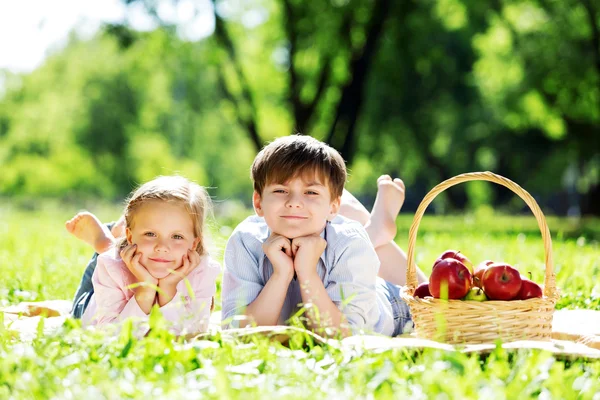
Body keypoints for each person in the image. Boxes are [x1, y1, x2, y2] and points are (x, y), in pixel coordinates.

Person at [221, 135, 426, 337]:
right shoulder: (246, 241)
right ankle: (375, 229)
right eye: (281, 190)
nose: (294, 201)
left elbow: (344, 336)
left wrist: (307, 272)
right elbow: (240, 334)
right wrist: (280, 274)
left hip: (388, 303)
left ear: (334, 207)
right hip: (338, 241)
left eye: (310, 192)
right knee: (344, 232)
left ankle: (373, 228)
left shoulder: (350, 242)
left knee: (427, 295)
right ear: (258, 203)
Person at [65, 175, 221, 334]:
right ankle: (107, 243)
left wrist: (168, 288)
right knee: (106, 261)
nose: (162, 247)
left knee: (113, 252)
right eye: (151, 234)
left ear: (194, 243)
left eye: (177, 237)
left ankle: (109, 241)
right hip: (92, 304)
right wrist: (145, 289)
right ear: (130, 236)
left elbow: (190, 334)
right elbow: (111, 336)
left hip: (130, 255)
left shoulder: (203, 271)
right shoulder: (111, 266)